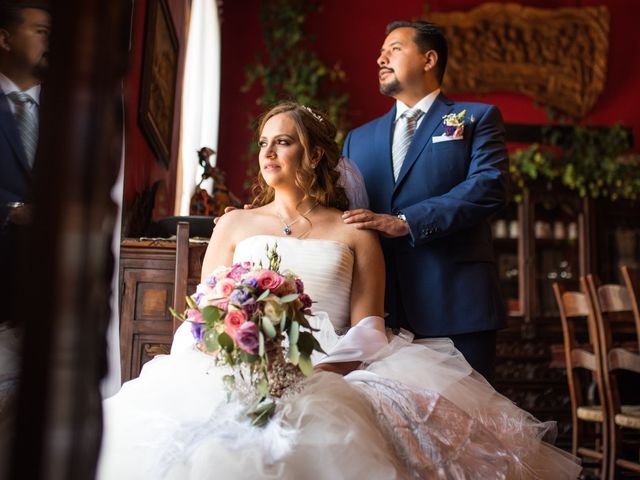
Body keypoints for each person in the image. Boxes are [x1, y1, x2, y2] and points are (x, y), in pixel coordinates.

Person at [97, 102, 580, 479]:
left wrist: (317, 370)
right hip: (239, 364)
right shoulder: (234, 224)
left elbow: (370, 329)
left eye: (282, 142)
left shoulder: (355, 232)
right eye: (263, 142)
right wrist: (242, 363)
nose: (266, 153)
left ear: (316, 154)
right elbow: (203, 313)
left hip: (336, 364)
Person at [342, 20, 509, 382]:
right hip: (379, 314)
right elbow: (336, 210)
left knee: (467, 431)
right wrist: (268, 214)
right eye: (381, 51)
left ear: (429, 58)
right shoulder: (358, 139)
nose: (380, 58)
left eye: (394, 49)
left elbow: (489, 185)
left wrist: (406, 221)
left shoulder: (476, 118)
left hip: (457, 308)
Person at [0, 1, 49, 475]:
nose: (47, 40)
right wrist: (11, 210)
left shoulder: (64, 112)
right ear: (6, 38)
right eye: (38, 30)